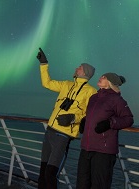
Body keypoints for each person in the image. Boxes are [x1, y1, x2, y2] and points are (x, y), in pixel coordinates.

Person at [36, 47, 97, 189]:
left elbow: (90, 114)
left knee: (51, 173)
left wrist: (73, 118)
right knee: (42, 172)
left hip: (63, 135)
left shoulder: (91, 92)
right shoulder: (66, 84)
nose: (77, 68)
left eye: (80, 67)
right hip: (50, 131)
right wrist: (44, 64)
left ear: (85, 73)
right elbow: (47, 83)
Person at [76, 72, 134, 189]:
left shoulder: (116, 99)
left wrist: (110, 123)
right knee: (82, 185)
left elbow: (128, 119)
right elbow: (94, 115)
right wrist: (84, 120)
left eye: (104, 77)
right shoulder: (93, 97)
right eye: (101, 76)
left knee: (99, 186)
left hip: (103, 151)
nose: (101, 77)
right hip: (86, 148)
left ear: (110, 83)